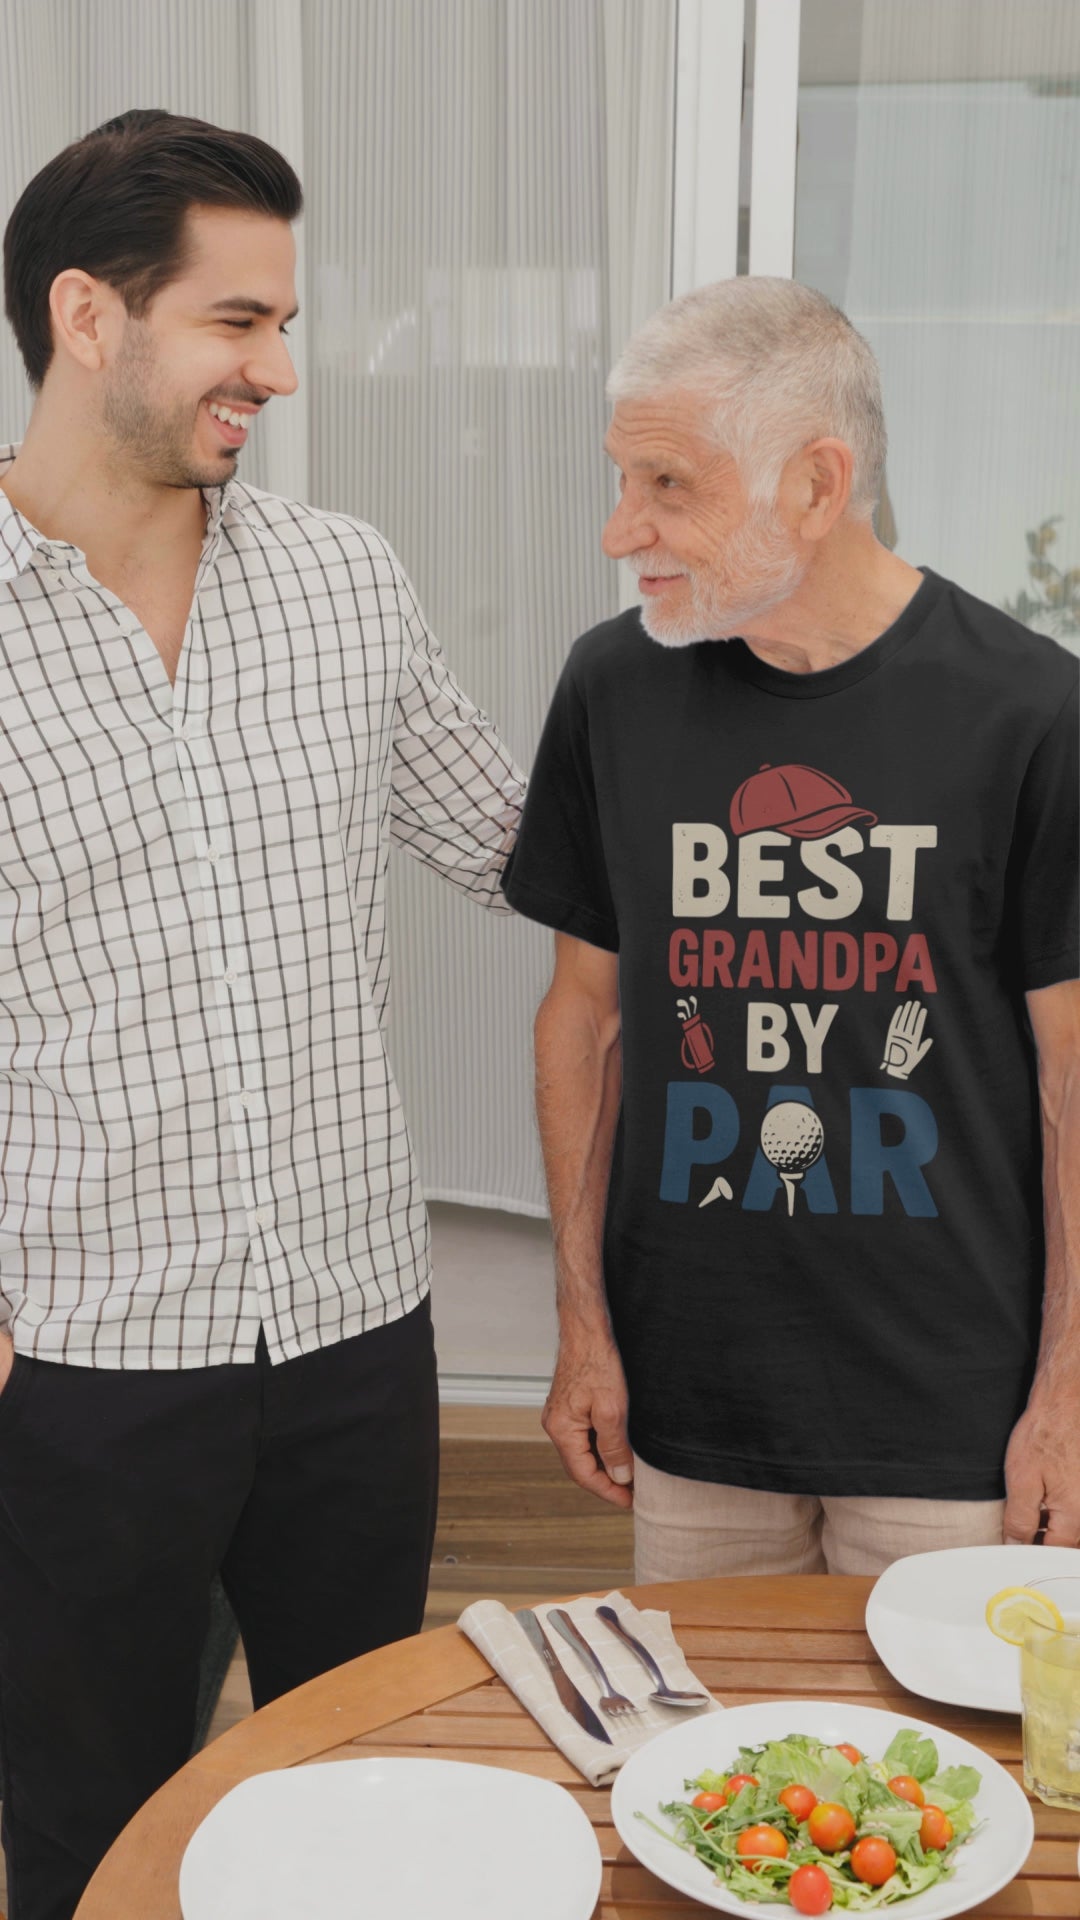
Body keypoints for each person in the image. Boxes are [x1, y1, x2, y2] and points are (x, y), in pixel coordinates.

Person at [0, 110, 524, 1920]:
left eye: (283, 325)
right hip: (80, 1362)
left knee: (354, 1803)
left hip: (352, 1338)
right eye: (240, 323)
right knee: (91, 1833)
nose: (278, 370)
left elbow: (527, 850)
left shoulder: (341, 585)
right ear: (89, 316)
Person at [501, 276, 1080, 1587]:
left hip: (955, 1419)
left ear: (819, 486)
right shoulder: (614, 689)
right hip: (691, 1398)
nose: (619, 530)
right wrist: (583, 1324)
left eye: (668, 487)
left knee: (930, 1785)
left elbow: (1073, 1083)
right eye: (621, 478)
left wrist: (1070, 1393)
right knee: (703, 1781)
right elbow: (583, 1020)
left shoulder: (1033, 714)